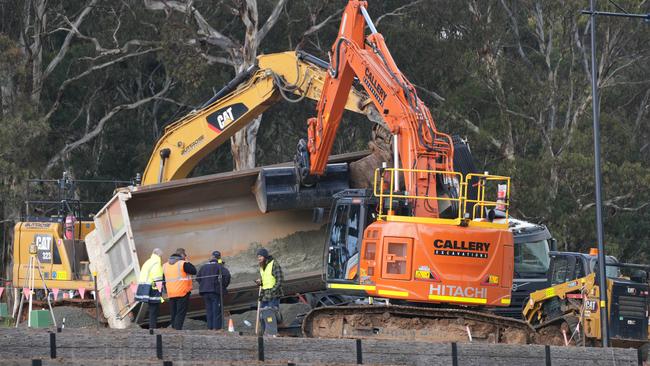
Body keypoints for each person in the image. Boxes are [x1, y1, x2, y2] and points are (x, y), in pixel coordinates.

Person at [162, 248, 197, 330]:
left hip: (171, 293)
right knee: (180, 312)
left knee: (173, 312)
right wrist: (186, 261)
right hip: (182, 292)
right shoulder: (182, 264)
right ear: (182, 256)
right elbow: (194, 271)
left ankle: (174, 328)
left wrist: (165, 290)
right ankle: (177, 329)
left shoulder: (165, 265)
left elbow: (163, 279)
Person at [197, 250, 231, 330]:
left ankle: (210, 328)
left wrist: (204, 284)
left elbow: (198, 278)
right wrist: (223, 286)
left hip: (205, 292)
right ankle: (216, 328)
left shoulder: (204, 267)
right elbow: (227, 276)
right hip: (215, 292)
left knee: (209, 311)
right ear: (219, 258)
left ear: (212, 257)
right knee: (216, 311)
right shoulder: (219, 266)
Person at [255, 248, 283, 336]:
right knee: (263, 314)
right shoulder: (261, 266)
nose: (258, 258)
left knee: (271, 314)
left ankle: (273, 333)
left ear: (265, 256)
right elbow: (265, 280)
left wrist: (272, 290)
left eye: (260, 256)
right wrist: (260, 282)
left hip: (273, 294)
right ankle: (264, 333)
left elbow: (280, 279)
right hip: (265, 294)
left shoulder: (274, 264)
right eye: (258, 256)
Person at [135, 248, 164, 329]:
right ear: (159, 255)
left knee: (152, 309)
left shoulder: (148, 261)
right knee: (154, 310)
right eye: (161, 256)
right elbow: (157, 277)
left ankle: (152, 328)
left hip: (145, 287)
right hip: (152, 288)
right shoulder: (157, 262)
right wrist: (160, 290)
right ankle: (153, 328)